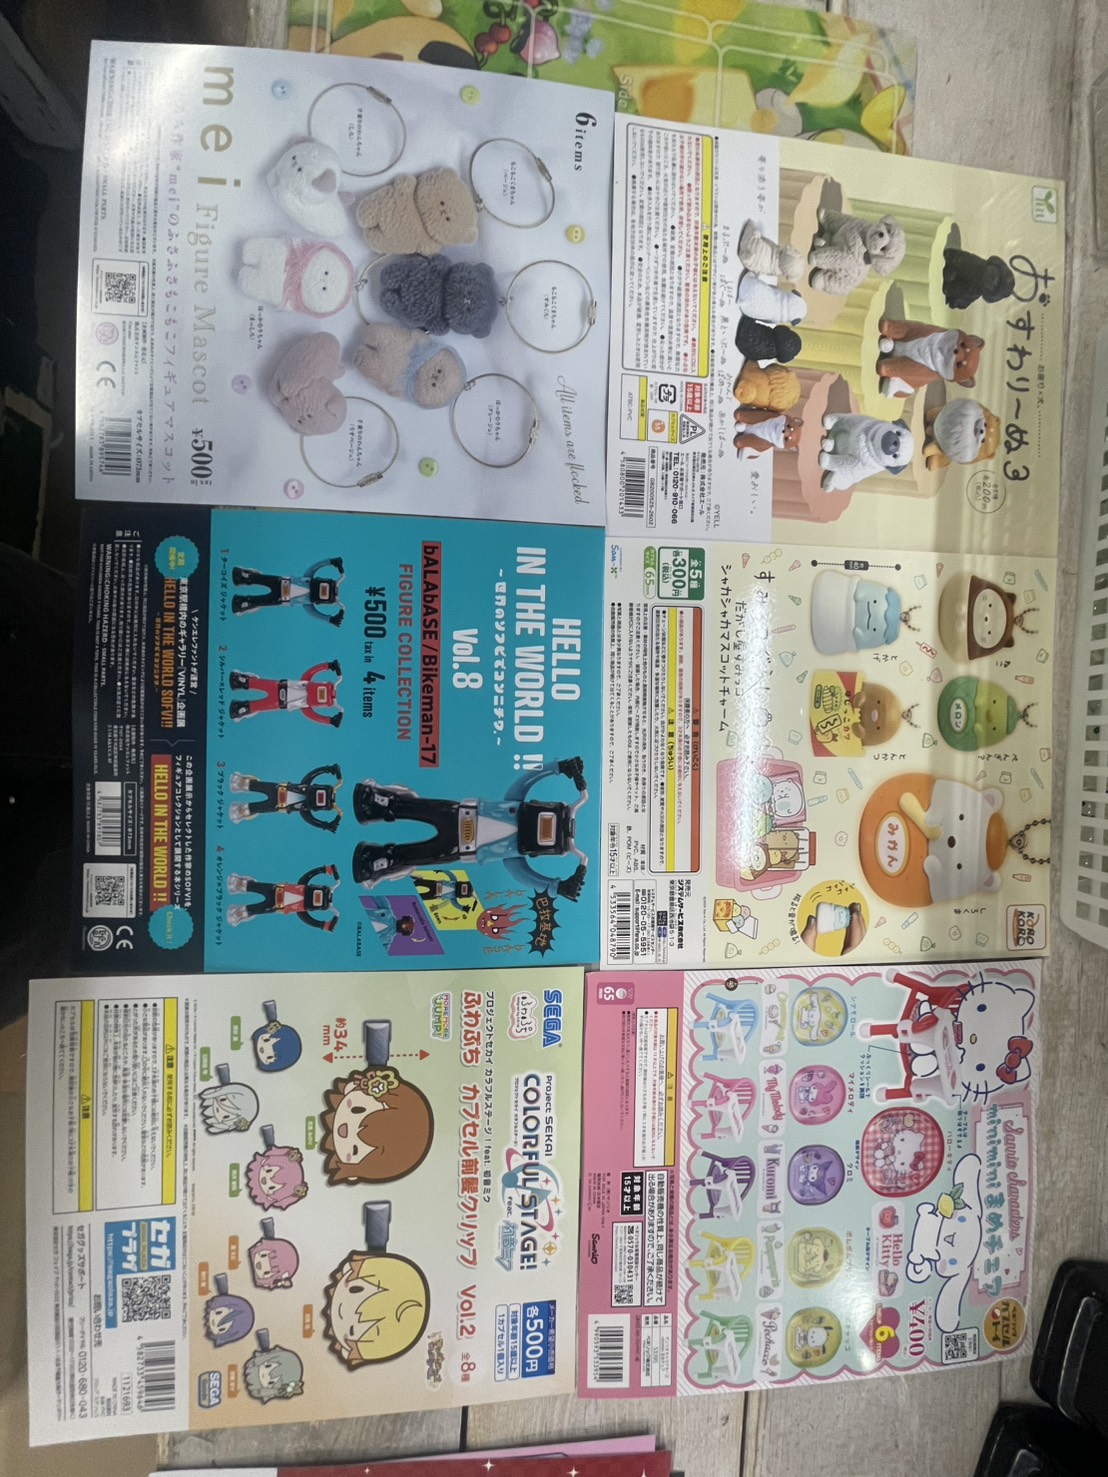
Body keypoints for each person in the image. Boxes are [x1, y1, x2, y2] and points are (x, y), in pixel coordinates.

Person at [351, 757, 589, 900]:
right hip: (461, 814)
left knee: (420, 854)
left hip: (462, 847)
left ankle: (384, 860)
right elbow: (528, 778)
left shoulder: (514, 855)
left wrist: (556, 887)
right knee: (422, 809)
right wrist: (557, 766)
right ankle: (383, 803)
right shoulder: (515, 804)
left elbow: (525, 877)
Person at [231, 556, 345, 625]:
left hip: (281, 598)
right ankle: (243, 577)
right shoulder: (308, 579)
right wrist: (330, 561)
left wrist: (330, 619)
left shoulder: (308, 603)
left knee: (260, 601)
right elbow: (315, 567)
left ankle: (242, 603)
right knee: (261, 579)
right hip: (281, 583)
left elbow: (314, 614)